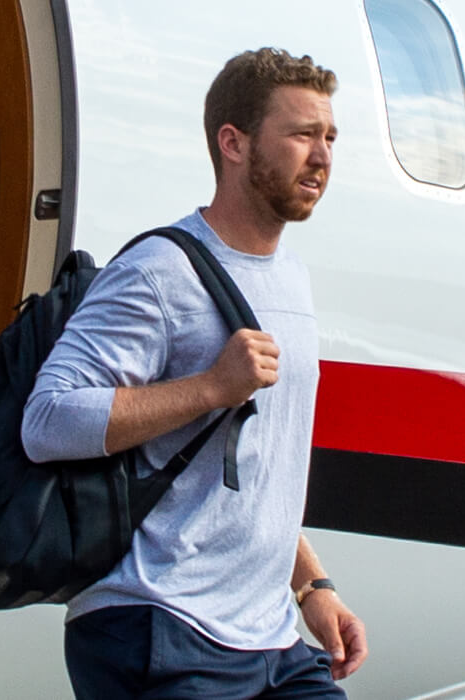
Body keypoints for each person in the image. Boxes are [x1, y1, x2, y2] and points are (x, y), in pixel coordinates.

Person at [21, 47, 367, 699]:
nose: (322, 156)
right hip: (163, 626)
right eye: (300, 135)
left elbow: (259, 466)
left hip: (269, 639)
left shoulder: (290, 277)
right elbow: (47, 421)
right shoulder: (159, 271)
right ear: (232, 143)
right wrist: (211, 388)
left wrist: (312, 585)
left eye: (329, 137)